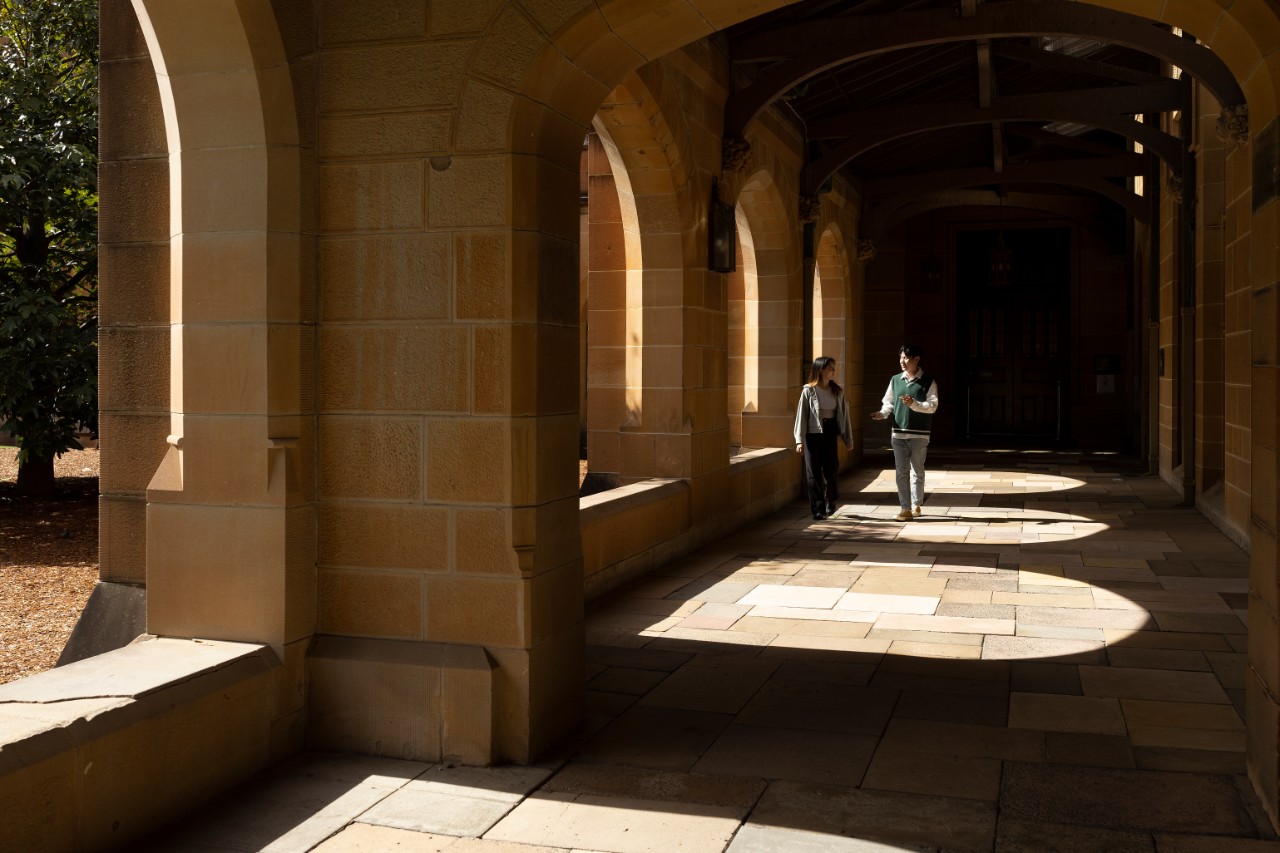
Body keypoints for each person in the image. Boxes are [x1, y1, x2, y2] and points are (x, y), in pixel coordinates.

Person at [871, 344, 939, 521]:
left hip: (919, 434)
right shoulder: (895, 380)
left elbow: (932, 406)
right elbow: (889, 402)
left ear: (917, 359)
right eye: (901, 357)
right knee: (901, 472)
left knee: (917, 470)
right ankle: (905, 508)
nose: (902, 361)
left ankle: (916, 504)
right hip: (898, 433)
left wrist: (914, 404)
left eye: (906, 358)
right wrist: (883, 414)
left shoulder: (928, 381)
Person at [793, 356, 854, 520]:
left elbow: (844, 417)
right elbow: (802, 416)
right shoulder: (808, 390)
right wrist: (799, 440)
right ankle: (818, 509)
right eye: (831, 368)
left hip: (830, 433)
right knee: (813, 473)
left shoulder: (837, 391)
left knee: (831, 470)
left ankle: (831, 501)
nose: (834, 370)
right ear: (821, 370)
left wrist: (848, 439)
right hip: (812, 435)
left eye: (834, 367)